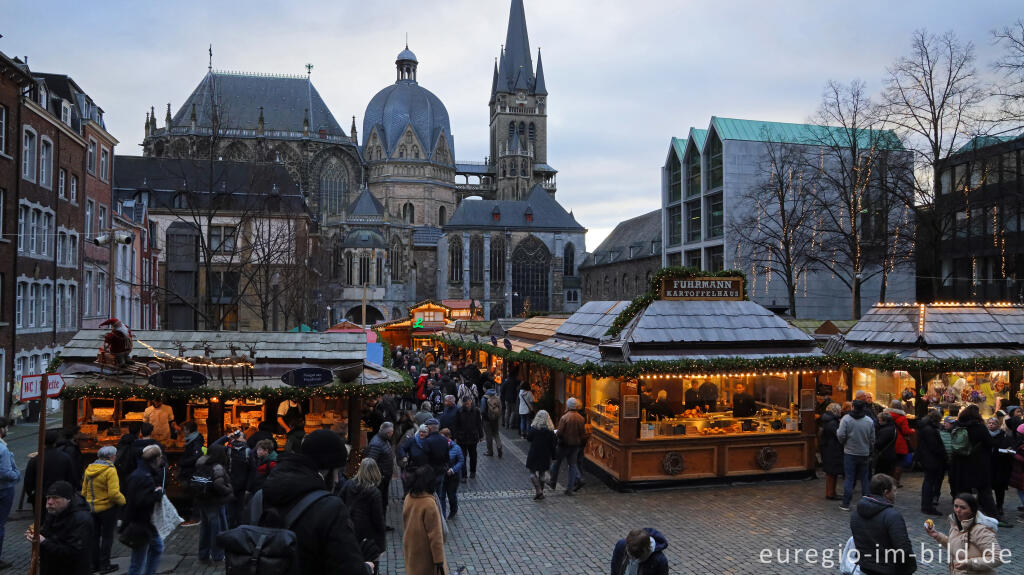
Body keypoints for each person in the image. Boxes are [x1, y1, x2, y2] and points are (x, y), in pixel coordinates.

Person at [248, 429, 371, 573]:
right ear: (326, 470)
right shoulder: (330, 508)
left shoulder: (261, 496)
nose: (337, 480)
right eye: (336, 471)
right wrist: (367, 568)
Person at [849, 473, 917, 575]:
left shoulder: (855, 514)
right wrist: (910, 569)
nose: (896, 494)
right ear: (885, 492)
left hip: (865, 569)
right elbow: (903, 548)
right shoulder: (892, 516)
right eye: (894, 491)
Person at [924, 493, 1003, 574]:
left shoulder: (981, 530)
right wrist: (937, 535)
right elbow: (956, 546)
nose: (958, 510)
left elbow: (997, 558)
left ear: (972, 510)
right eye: (956, 506)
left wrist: (969, 563)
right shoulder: (955, 524)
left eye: (963, 508)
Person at [30, 480, 94, 575]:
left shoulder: (82, 519)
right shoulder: (54, 511)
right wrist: (37, 534)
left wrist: (44, 542)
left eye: (55, 498)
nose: (50, 502)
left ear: (67, 499)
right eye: (48, 498)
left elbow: (72, 552)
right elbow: (48, 532)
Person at [949, 404, 1000, 519]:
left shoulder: (956, 426)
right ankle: (993, 516)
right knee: (984, 491)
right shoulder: (979, 427)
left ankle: (963, 515)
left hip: (960, 464)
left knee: (963, 491)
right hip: (978, 464)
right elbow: (990, 442)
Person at [122, 444, 166, 575]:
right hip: (141, 523)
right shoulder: (144, 477)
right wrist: (157, 495)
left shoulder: (140, 473)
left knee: (156, 548)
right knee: (138, 560)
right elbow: (141, 500)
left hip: (143, 522)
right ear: (156, 458)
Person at [81, 446, 126, 574]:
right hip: (108, 509)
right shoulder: (110, 470)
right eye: (115, 455)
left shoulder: (89, 469)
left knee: (94, 537)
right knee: (107, 537)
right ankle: (104, 565)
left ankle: (93, 564)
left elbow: (84, 491)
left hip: (91, 508)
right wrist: (123, 501)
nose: (116, 457)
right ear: (111, 457)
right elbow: (113, 493)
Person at [339, 458, 387, 571]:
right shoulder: (374, 493)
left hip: (350, 533)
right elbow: (378, 521)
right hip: (368, 539)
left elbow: (339, 503)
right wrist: (381, 545)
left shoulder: (348, 484)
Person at [402, 466, 447, 575]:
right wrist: (439, 560)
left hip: (411, 549)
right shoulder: (429, 504)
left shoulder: (409, 497)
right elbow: (435, 536)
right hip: (426, 555)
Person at [193, 444, 233, 564]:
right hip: (214, 500)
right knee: (216, 528)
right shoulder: (218, 467)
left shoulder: (201, 463)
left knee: (205, 527)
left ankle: (203, 554)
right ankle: (217, 555)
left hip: (202, 499)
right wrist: (229, 489)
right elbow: (219, 485)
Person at [837, 399, 876, 511]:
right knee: (864, 478)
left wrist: (844, 442)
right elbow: (872, 439)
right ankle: (867, 503)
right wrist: (869, 448)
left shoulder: (846, 419)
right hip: (864, 452)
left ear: (853, 407)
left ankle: (846, 503)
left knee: (849, 478)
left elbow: (840, 434)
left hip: (850, 452)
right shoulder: (868, 421)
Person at [25, 429, 78, 508]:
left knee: (42, 518)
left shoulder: (35, 460)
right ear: (56, 441)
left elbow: (28, 481)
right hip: (60, 495)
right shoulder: (65, 458)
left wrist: (32, 494)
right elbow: (72, 478)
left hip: (41, 496)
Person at [214, 429, 254, 527]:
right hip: (231, 486)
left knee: (240, 514)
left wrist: (248, 488)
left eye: (239, 438)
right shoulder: (229, 449)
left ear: (245, 440)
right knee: (231, 515)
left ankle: (237, 533)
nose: (237, 441)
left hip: (240, 487)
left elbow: (253, 471)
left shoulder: (248, 451)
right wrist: (227, 437)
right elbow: (214, 447)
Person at [548, 397, 586, 496]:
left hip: (564, 445)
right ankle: (570, 488)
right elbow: (582, 433)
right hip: (576, 445)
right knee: (572, 465)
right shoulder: (581, 418)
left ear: (568, 406)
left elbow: (559, 433)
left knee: (556, 463)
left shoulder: (565, 417)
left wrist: (555, 433)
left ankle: (552, 482)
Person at [364, 422, 395, 529]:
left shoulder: (384, 440)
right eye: (391, 432)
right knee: (379, 502)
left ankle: (381, 523)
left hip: (384, 479)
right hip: (379, 480)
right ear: (386, 433)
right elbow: (371, 462)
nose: (392, 434)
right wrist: (379, 476)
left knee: (383, 502)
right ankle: (377, 525)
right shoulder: (376, 444)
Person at [916, 410, 947, 516]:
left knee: (928, 481)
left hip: (927, 458)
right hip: (931, 459)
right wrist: (943, 454)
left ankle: (927, 505)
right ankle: (927, 506)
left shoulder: (925, 427)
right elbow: (934, 446)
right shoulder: (929, 429)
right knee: (929, 482)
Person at [177, 420, 205, 527]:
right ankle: (193, 516)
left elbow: (196, 456)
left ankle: (195, 517)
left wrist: (183, 462)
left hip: (192, 471)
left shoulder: (195, 441)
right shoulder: (193, 439)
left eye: (184, 430)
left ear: (188, 430)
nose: (183, 432)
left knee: (193, 493)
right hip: (191, 470)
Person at [0, 417, 19, 570]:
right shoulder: (2, 449)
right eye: (5, 428)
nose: (7, 431)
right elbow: (6, 473)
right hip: (3, 490)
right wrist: (17, 474)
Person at [526, 410, 557, 500]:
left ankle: (538, 490)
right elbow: (553, 445)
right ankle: (541, 492)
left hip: (534, 453)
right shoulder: (550, 432)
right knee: (542, 473)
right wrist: (554, 456)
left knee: (532, 472)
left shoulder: (534, 429)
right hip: (545, 455)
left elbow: (528, 438)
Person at [885, 399, 916, 488]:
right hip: (899, 442)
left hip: (888, 441)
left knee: (890, 463)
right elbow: (905, 431)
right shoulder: (902, 417)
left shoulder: (886, 415)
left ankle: (888, 482)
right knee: (899, 463)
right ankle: (895, 482)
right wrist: (912, 431)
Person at [988, 416, 1014, 520]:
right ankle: (987, 506)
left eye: (993, 423)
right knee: (986, 488)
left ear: (998, 425)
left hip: (1000, 466)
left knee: (999, 489)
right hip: (988, 466)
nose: (990, 425)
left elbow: (1007, 447)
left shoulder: (1004, 436)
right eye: (989, 423)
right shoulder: (985, 435)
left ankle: (999, 506)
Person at [453, 396, 483, 481]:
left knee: (473, 456)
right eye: (466, 404)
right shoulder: (459, 411)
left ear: (471, 402)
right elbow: (456, 425)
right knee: (462, 457)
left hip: (473, 437)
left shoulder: (476, 411)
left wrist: (481, 435)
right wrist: (455, 436)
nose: (467, 405)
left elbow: (479, 424)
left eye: (468, 403)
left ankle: (473, 471)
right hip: (462, 437)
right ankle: (464, 475)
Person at [819, 403, 844, 501]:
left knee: (830, 472)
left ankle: (831, 492)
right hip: (832, 449)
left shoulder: (826, 420)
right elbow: (838, 435)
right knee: (832, 472)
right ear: (836, 411)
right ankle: (831, 493)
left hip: (827, 448)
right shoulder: (832, 422)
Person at [438, 429, 464, 519]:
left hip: (453, 476)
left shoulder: (456, 448)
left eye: (443, 437)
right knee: (441, 496)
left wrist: (453, 470)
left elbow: (461, 461)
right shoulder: (439, 447)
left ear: (448, 437)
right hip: (442, 475)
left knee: (451, 495)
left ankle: (454, 509)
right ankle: (443, 516)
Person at [874, 412, 899, 476]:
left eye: (879, 419)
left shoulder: (886, 430)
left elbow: (879, 443)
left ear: (884, 420)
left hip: (884, 456)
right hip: (890, 454)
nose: (878, 421)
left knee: (881, 475)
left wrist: (874, 442)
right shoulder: (892, 427)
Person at [482, 388, 504, 458]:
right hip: (496, 419)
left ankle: (490, 451)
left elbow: (482, 410)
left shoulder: (484, 399)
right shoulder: (497, 398)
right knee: (496, 434)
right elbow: (500, 408)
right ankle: (499, 446)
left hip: (487, 420)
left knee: (488, 436)